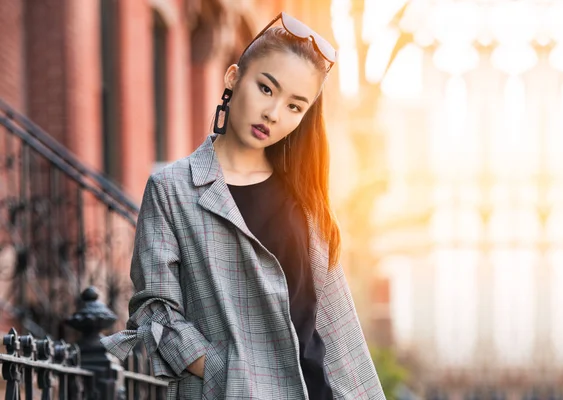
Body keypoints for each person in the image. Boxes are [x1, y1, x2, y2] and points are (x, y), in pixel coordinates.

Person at [101, 11, 384, 400]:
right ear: (233, 78)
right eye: (267, 89)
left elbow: (333, 326)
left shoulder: (305, 198)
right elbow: (155, 313)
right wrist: (227, 371)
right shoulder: (172, 189)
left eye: (294, 107)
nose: (273, 113)